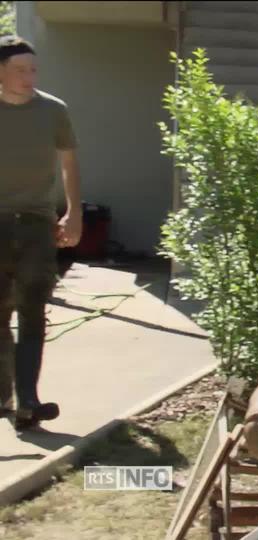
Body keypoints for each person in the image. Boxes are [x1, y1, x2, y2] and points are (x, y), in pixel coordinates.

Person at [0, 35, 82, 430]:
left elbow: (69, 164)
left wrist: (75, 215)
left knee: (33, 312)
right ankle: (4, 397)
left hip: (36, 224)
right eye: (20, 70)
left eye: (33, 69)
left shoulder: (53, 110)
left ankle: (28, 403)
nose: (29, 76)